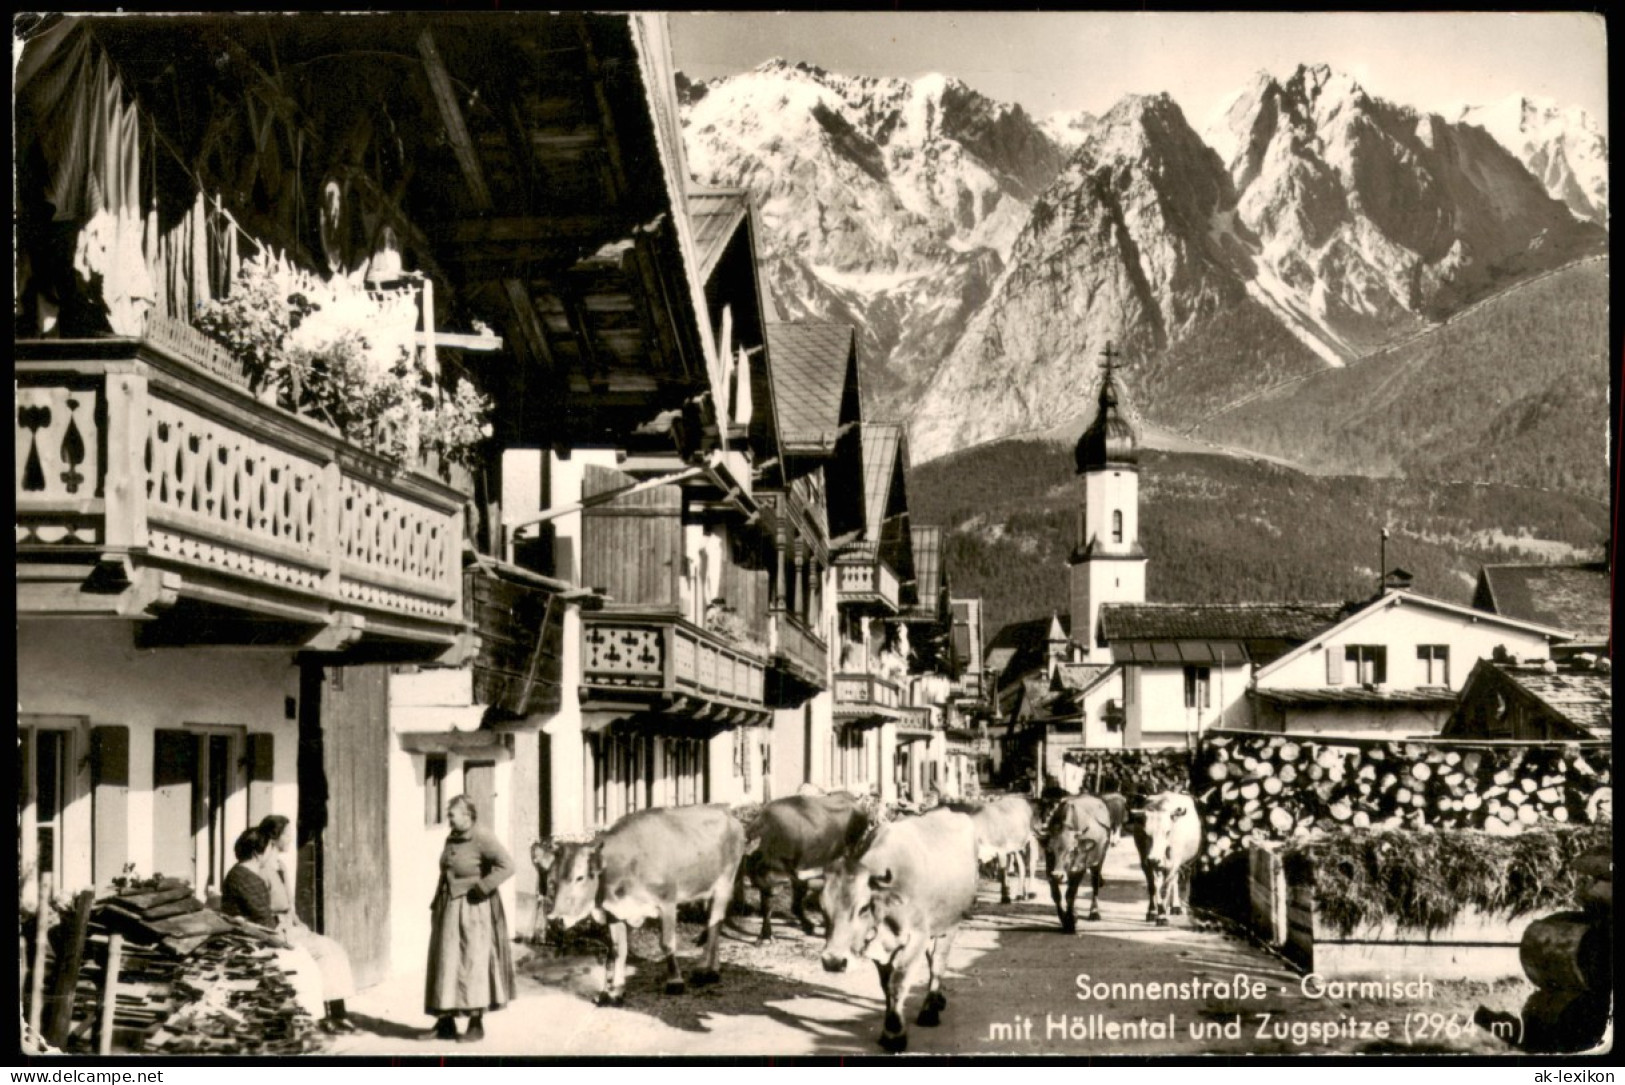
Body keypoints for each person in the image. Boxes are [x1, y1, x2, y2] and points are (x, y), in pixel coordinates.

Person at [424, 795, 516, 1043]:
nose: (449, 819)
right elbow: (446, 874)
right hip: (448, 909)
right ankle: (445, 1022)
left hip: (474, 910)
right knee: (446, 962)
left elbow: (507, 865)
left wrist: (484, 886)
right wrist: (436, 902)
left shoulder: (482, 837)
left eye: (452, 814)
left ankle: (476, 1025)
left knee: (472, 964)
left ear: (467, 815)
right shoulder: (451, 837)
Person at [256, 815, 358, 1034]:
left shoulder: (281, 865)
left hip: (292, 926)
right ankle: (326, 1016)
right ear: (274, 838)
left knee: (334, 948)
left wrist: (298, 922)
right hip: (277, 931)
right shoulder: (263, 869)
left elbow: (289, 905)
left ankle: (339, 1013)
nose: (292, 837)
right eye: (287, 833)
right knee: (323, 953)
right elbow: (265, 909)